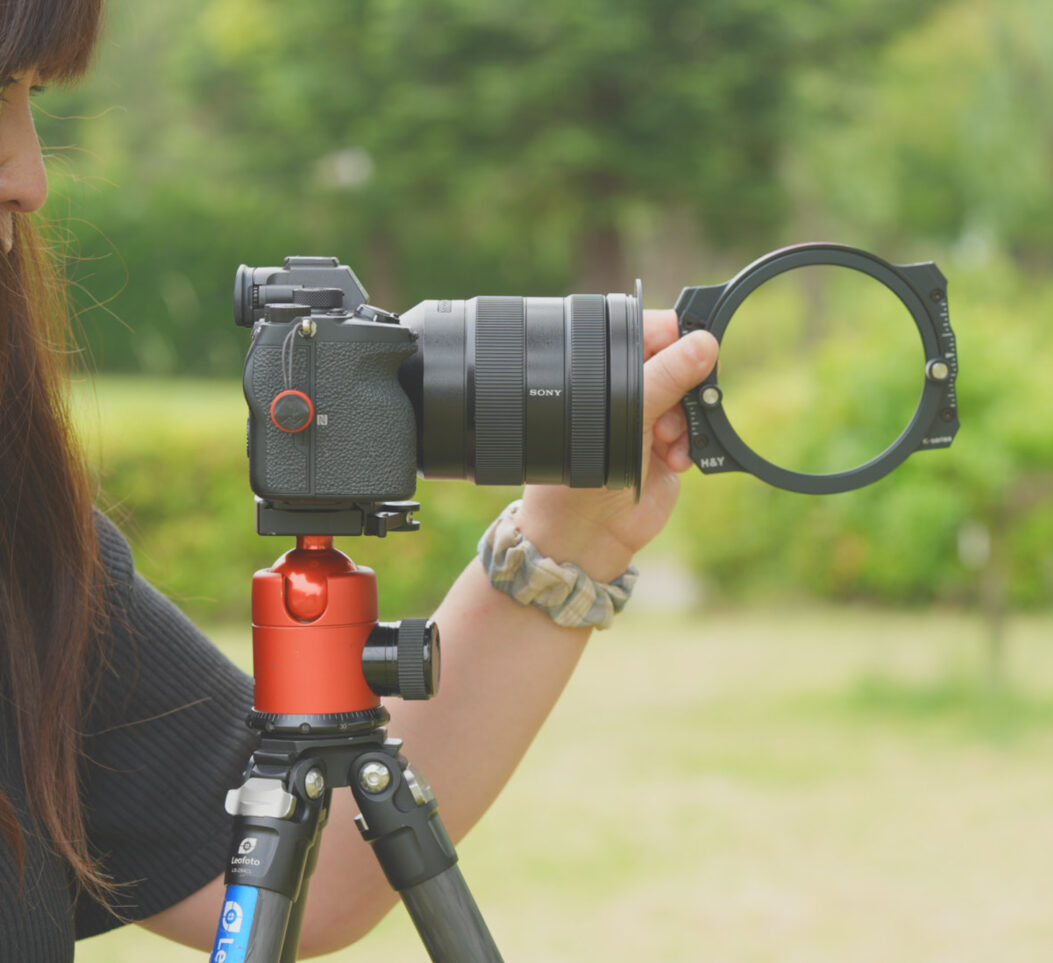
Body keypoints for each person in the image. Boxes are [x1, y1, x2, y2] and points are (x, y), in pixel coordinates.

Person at [0, 0, 720, 957]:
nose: (30, 177)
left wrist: (573, 540)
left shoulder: (24, 546)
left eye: (30, 97)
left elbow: (295, 866)